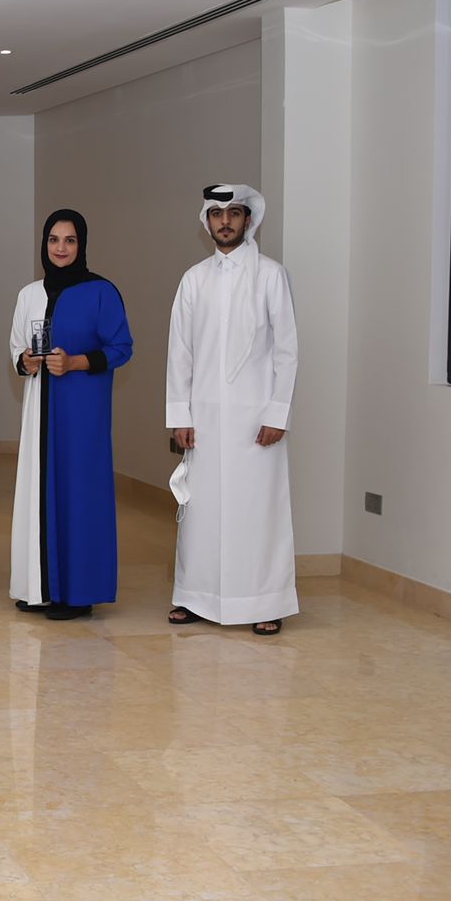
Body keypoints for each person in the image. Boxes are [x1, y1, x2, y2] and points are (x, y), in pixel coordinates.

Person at [166, 184, 299, 635]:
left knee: (258, 512)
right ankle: (194, 596)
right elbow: (180, 353)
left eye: (234, 213)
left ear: (248, 220)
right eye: (217, 213)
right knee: (201, 512)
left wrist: (277, 414)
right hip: (204, 420)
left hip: (255, 422)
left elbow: (287, 352)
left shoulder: (271, 276)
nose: (225, 221)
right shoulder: (193, 279)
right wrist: (179, 415)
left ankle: (265, 601)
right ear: (206, 221)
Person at [8, 209, 132, 620]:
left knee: (79, 494)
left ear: (82, 245)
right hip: (39, 409)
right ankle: (39, 587)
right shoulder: (29, 294)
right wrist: (25, 361)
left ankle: (79, 594)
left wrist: (76, 362)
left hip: (82, 413)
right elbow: (16, 348)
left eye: (70, 240)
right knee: (38, 490)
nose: (61, 248)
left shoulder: (101, 292)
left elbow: (121, 348)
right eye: (54, 240)